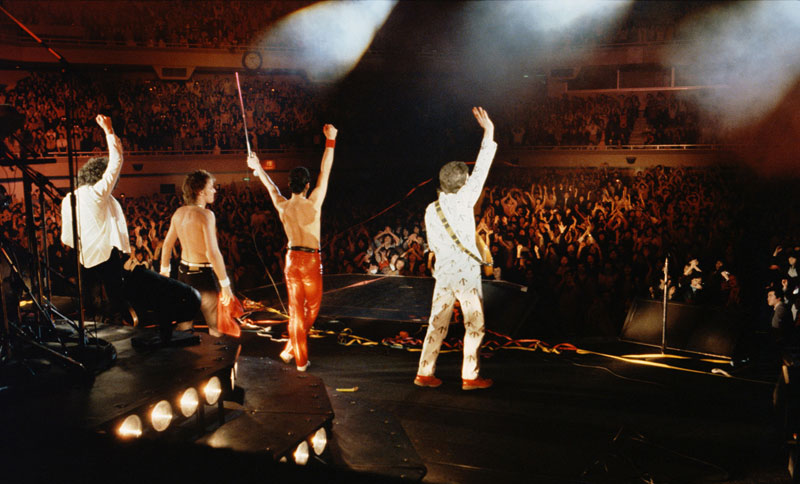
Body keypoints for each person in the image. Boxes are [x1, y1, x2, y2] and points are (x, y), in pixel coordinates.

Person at [61, 114, 200, 342]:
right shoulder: (98, 194)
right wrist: (108, 130)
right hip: (112, 264)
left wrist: (87, 244)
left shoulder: (68, 199)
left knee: (104, 309)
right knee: (181, 297)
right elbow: (116, 161)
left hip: (87, 267)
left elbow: (67, 238)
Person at [414, 107, 496, 391]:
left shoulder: (431, 208)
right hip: (466, 274)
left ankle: (424, 373)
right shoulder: (465, 199)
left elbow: (433, 245)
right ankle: (470, 376)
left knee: (437, 323)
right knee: (474, 324)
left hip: (444, 273)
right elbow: (483, 167)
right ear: (463, 183)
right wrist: (489, 131)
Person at [246, 123, 337, 371]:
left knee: (296, 311)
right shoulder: (314, 202)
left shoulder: (282, 205)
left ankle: (292, 352)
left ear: (291, 185)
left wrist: (257, 167)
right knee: (311, 311)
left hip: (291, 259)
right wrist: (331, 140)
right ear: (307, 185)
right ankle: (299, 358)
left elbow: (270, 187)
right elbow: (325, 170)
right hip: (310, 260)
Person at [160, 170, 233, 337]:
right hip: (202, 277)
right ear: (200, 191)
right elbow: (212, 252)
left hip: (183, 275)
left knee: (184, 327)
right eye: (211, 187)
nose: (214, 190)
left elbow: (167, 245)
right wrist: (225, 284)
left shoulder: (179, 212)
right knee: (216, 328)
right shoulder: (206, 215)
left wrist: (164, 272)